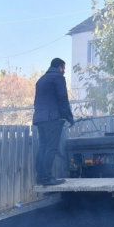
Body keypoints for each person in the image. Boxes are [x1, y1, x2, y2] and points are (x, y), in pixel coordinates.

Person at [33, 58, 75, 186]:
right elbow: (63, 98)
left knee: (43, 146)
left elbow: (37, 101)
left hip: (40, 118)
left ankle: (40, 178)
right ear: (60, 67)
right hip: (52, 118)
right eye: (64, 69)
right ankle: (47, 178)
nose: (64, 71)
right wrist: (68, 117)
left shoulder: (41, 80)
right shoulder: (57, 78)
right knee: (51, 147)